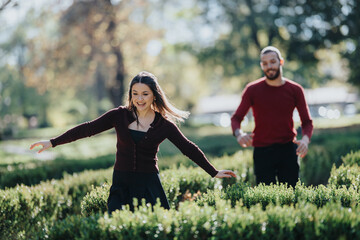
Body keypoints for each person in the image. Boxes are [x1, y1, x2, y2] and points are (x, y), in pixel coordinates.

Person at [30, 71, 236, 213]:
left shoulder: (164, 125)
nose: (139, 99)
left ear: (154, 95)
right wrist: (53, 142)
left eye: (145, 94)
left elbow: (188, 148)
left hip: (149, 185)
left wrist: (213, 172)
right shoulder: (118, 115)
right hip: (122, 184)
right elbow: (88, 128)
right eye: (135, 94)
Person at [231, 46, 313, 188]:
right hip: (262, 151)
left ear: (281, 62)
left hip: (288, 149)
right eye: (265, 63)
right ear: (261, 65)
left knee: (290, 196)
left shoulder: (295, 90)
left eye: (273, 62)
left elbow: (307, 122)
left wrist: (305, 140)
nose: (269, 66)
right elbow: (236, 118)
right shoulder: (252, 90)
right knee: (265, 198)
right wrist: (239, 134)